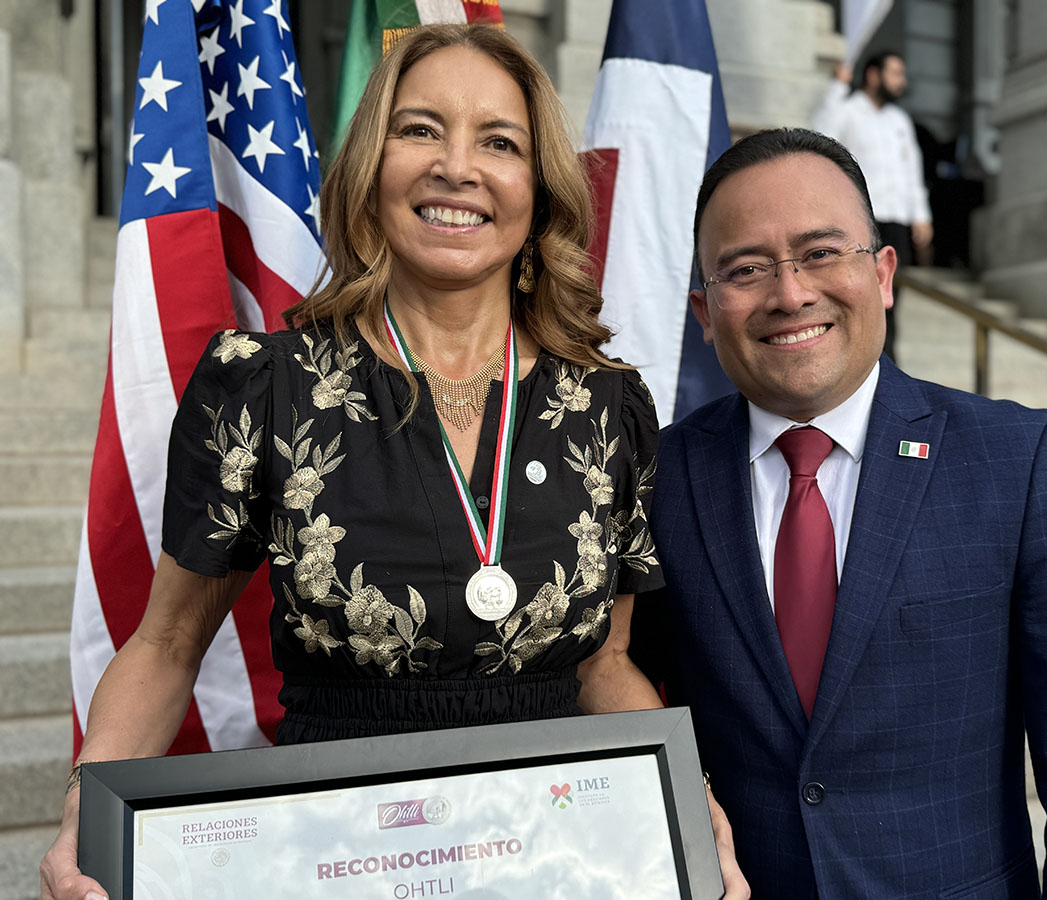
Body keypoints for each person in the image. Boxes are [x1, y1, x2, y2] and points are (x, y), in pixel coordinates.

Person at [40, 25, 748, 900]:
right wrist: (85, 809)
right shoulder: (265, 390)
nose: (459, 166)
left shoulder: (607, 410)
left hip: (558, 859)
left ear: (539, 190)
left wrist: (690, 807)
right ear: (370, 169)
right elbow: (169, 641)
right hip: (336, 859)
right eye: (420, 130)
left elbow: (604, 664)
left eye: (500, 141)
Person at [633, 128, 1047, 898]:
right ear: (704, 312)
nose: (790, 293)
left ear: (883, 274)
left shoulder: (1016, 462)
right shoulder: (660, 479)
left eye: (821, 252)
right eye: (745, 269)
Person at [811, 52, 931, 362]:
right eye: (895, 73)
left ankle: (889, 363)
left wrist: (921, 216)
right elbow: (820, 135)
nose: (901, 81)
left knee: (892, 296)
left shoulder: (900, 121)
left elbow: (911, 170)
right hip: (863, 219)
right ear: (874, 75)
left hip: (897, 219)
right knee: (863, 294)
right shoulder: (848, 110)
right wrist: (837, 86)